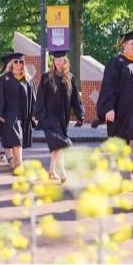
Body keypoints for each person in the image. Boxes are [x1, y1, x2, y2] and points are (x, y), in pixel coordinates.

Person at [96, 30, 133, 186]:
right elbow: (108, 87)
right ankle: (124, 179)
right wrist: (108, 108)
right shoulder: (116, 62)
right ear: (125, 46)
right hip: (121, 114)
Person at [33, 50, 85, 183]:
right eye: (55, 60)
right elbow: (40, 97)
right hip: (49, 117)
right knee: (62, 143)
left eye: (60, 60)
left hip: (63, 117)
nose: (57, 62)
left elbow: (75, 99)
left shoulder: (70, 77)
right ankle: (61, 171)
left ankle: (51, 170)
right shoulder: (46, 77)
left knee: (57, 146)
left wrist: (80, 115)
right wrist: (37, 114)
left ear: (65, 61)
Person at [0, 53, 35, 171]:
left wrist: (33, 113)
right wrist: (0, 113)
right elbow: (0, 96)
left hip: (23, 114)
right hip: (10, 113)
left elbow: (32, 98)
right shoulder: (5, 78)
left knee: (19, 140)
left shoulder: (27, 79)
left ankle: (16, 164)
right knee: (17, 139)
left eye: (20, 62)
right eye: (16, 61)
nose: (18, 64)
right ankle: (20, 165)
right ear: (12, 63)